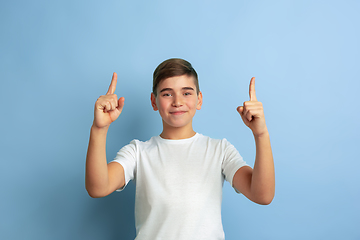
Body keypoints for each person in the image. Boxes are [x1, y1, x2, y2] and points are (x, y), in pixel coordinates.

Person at [85, 58, 275, 240]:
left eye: (186, 93)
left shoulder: (220, 150)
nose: (177, 101)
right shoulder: (138, 152)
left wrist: (261, 135)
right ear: (154, 101)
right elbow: (98, 188)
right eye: (167, 93)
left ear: (199, 100)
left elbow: (263, 195)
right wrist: (99, 129)